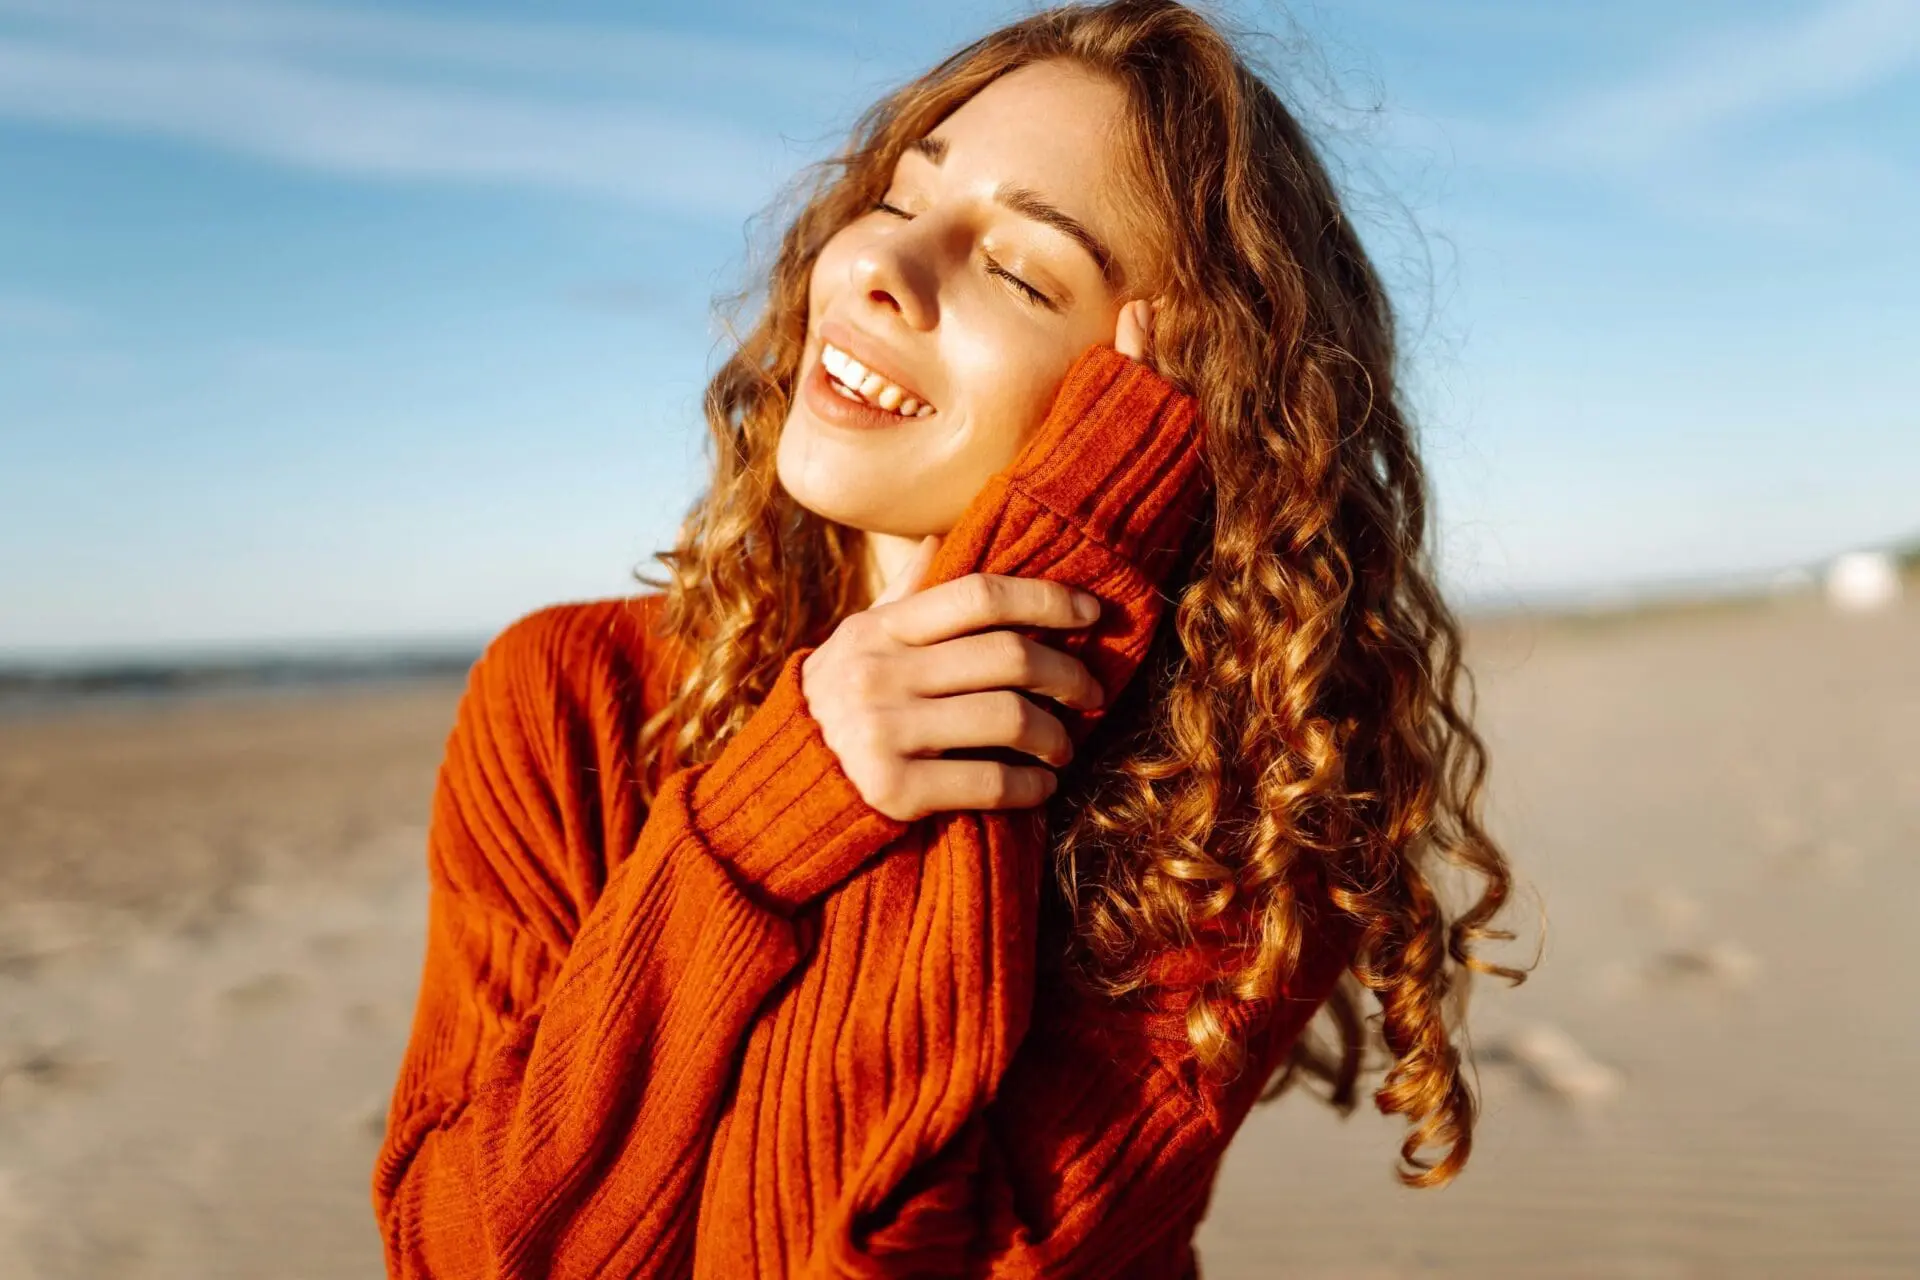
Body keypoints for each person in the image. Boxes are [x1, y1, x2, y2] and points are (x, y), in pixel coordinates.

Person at [371, 2, 1521, 1275]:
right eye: (903, 202)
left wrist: (1039, 570)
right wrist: (768, 812)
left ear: (1170, 407)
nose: (878, 269)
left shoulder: (1227, 828)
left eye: (1023, 272)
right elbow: (459, 1249)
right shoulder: (567, 699)